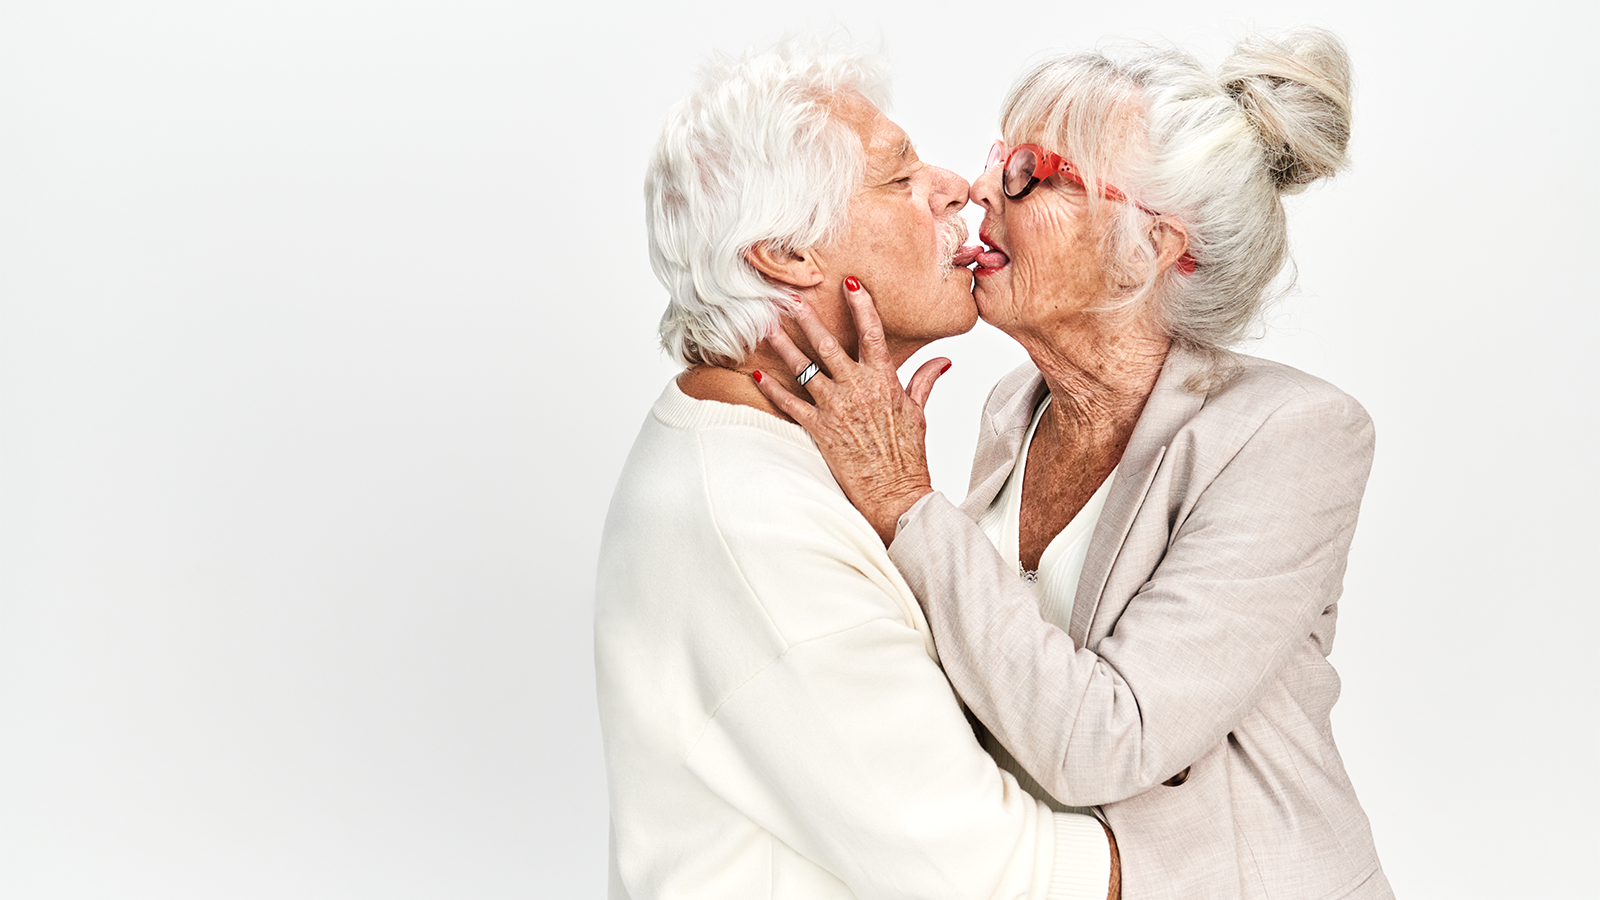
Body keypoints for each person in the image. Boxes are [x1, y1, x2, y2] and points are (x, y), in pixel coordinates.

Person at [756, 29, 1393, 900]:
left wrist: (907, 503)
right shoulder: (1010, 411)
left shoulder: (1294, 436)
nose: (978, 189)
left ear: (1157, 244)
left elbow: (1110, 739)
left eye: (1028, 172)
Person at [595, 40, 1119, 900]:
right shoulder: (757, 525)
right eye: (898, 176)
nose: (957, 187)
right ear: (789, 256)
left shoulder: (755, 449)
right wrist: (1264, 826)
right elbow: (998, 878)